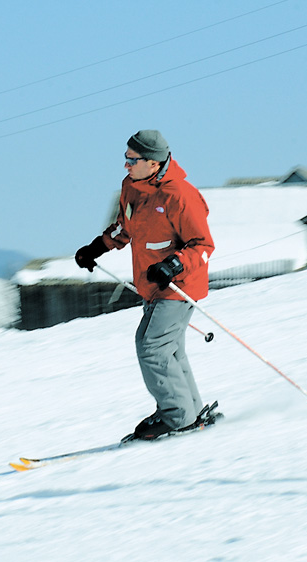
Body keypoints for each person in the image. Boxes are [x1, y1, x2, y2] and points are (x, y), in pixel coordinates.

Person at [74, 129, 216, 440]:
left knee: (151, 347)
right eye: (125, 158)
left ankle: (177, 416)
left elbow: (203, 245)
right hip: (151, 285)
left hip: (179, 286)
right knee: (170, 349)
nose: (125, 165)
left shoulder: (180, 195)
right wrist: (97, 247)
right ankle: (190, 410)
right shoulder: (132, 188)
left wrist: (173, 265)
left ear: (153, 163)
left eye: (131, 160)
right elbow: (126, 227)